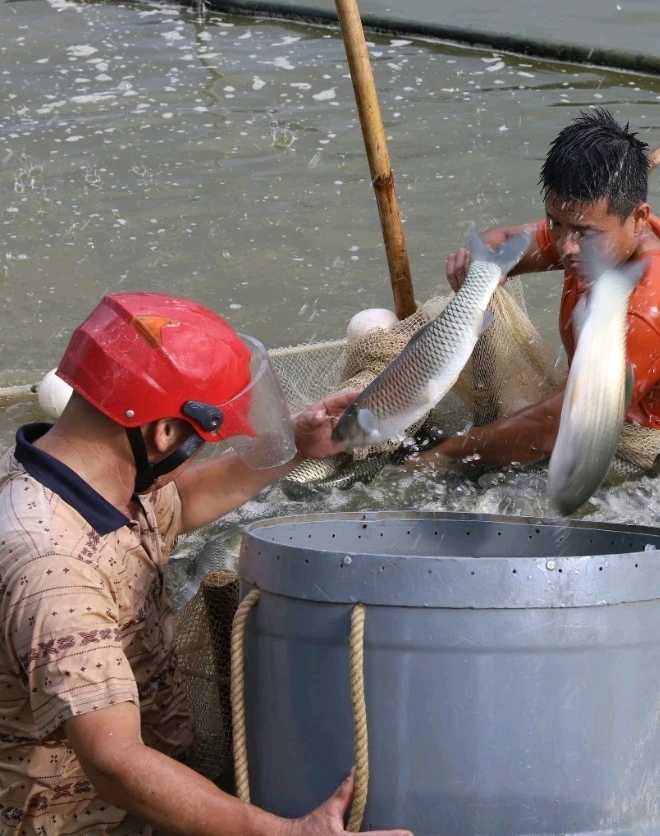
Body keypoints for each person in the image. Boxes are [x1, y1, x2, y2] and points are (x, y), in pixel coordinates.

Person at [0, 292, 410, 836]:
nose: (195, 455)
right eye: (201, 441)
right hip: (79, 819)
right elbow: (115, 763)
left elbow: (179, 503)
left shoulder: (78, 469)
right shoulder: (51, 567)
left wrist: (295, 448)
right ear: (164, 433)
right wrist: (285, 833)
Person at [405, 107, 660, 470]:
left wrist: (445, 452)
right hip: (584, 422)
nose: (565, 246)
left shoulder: (649, 307)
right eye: (555, 222)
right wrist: (478, 268)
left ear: (639, 218)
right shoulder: (600, 233)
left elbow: (566, 423)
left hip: (649, 468)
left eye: (583, 232)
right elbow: (500, 242)